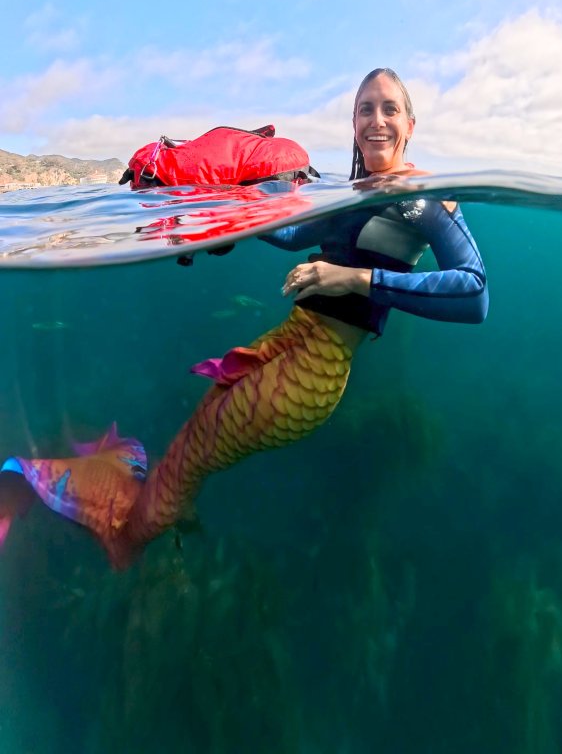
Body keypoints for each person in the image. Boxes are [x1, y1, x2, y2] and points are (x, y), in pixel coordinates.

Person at [0, 68, 488, 569]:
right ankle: (135, 492)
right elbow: (293, 236)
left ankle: (118, 527)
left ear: (410, 123)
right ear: (353, 123)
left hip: (313, 374)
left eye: (389, 109)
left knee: (188, 462)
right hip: (289, 339)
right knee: (191, 440)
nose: (377, 121)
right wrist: (217, 213)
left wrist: (354, 279)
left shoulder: (425, 199)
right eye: (366, 109)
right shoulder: (357, 191)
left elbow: (474, 293)